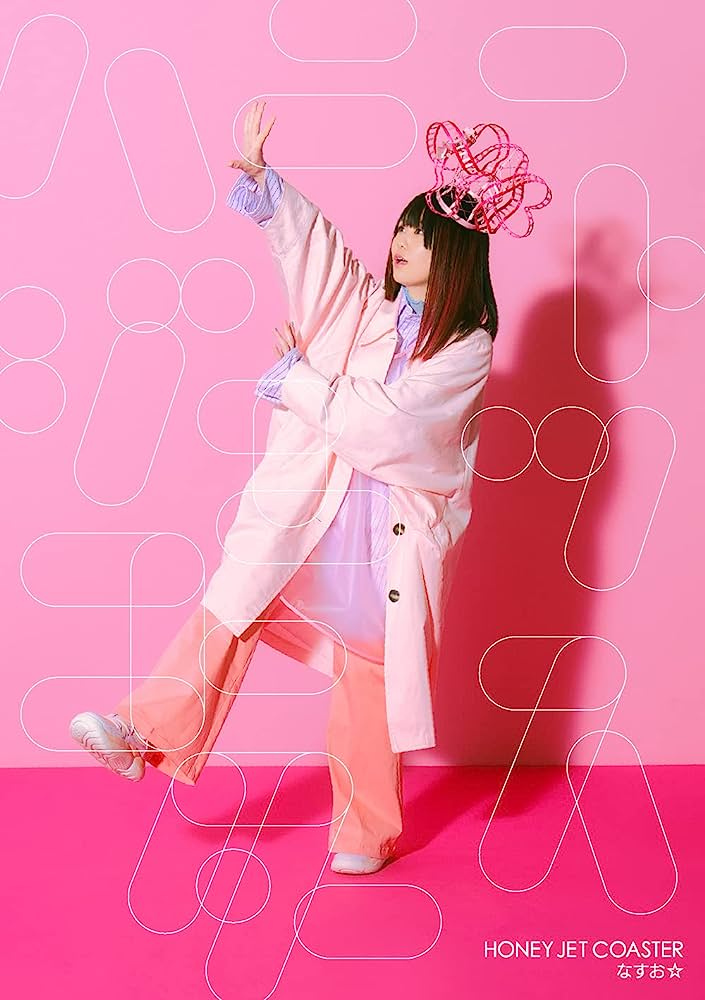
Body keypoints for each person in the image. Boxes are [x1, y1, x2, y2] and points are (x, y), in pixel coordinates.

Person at [69, 101, 550, 876]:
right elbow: (320, 257)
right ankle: (143, 735)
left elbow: (395, 428)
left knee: (369, 680)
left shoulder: (466, 348)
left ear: (457, 254)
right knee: (232, 602)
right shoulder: (367, 313)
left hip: (386, 538)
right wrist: (269, 186)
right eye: (401, 227)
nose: (401, 242)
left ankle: (364, 832)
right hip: (317, 509)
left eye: (421, 235)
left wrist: (300, 380)